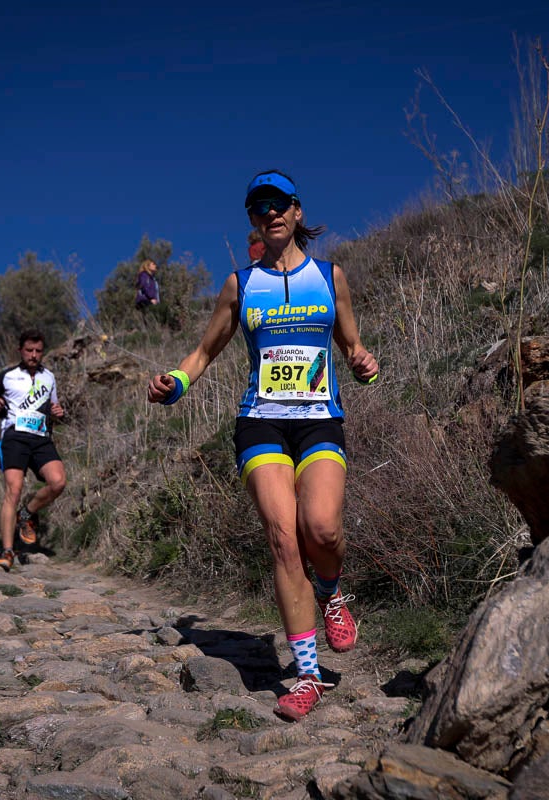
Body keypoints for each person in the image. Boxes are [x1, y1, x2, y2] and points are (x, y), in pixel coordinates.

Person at [147, 169, 379, 721]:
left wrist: (362, 361)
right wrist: (176, 382)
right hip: (262, 423)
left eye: (278, 204)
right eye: (259, 208)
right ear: (253, 220)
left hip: (319, 420)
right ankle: (307, 675)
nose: (270, 213)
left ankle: (331, 592)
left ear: (297, 211)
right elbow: (204, 352)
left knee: (321, 529)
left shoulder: (330, 277)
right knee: (283, 537)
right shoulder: (240, 284)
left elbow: (351, 343)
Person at [0, 329, 67, 572]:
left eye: (38, 351)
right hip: (14, 437)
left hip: (41, 437)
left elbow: (54, 407)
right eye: (29, 350)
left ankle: (27, 513)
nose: (34, 355)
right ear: (20, 350)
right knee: (14, 489)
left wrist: (58, 412)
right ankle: (7, 550)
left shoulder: (49, 377)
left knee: (58, 482)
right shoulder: (7, 376)